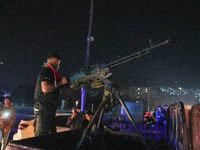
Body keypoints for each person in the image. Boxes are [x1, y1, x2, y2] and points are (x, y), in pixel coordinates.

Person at [34, 53, 68, 137]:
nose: (59, 65)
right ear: (56, 61)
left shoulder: (50, 71)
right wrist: (61, 82)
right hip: (44, 108)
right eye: (59, 63)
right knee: (40, 137)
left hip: (48, 109)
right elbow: (45, 88)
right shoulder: (47, 71)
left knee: (51, 136)